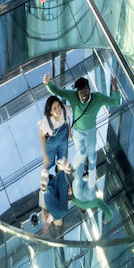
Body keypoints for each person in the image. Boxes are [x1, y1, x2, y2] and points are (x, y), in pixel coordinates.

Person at [42, 68, 122, 198]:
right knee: (82, 152)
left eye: (85, 91)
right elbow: (57, 91)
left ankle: (91, 187)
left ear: (89, 89)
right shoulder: (73, 97)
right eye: (80, 92)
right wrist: (47, 83)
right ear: (77, 92)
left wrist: (115, 87)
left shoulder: (98, 98)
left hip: (90, 132)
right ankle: (73, 166)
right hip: (78, 132)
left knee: (92, 157)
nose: (83, 95)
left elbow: (116, 102)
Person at [38, 91, 73, 231]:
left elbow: (68, 119)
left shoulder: (66, 111)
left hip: (62, 139)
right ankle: (57, 169)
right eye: (55, 108)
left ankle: (56, 170)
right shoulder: (47, 122)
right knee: (56, 164)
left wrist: (69, 131)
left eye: (58, 106)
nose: (58, 110)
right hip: (52, 143)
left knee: (53, 167)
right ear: (50, 111)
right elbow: (41, 135)